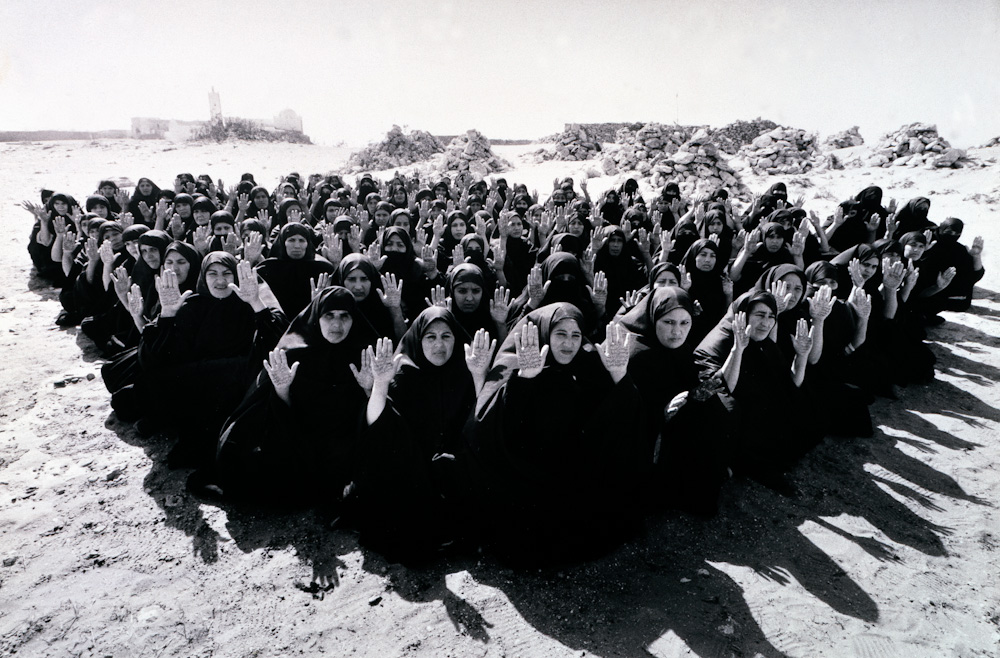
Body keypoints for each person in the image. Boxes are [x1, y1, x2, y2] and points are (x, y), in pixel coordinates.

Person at [469, 304, 642, 563]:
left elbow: (622, 420)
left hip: (572, 473)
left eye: (575, 336)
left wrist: (619, 376)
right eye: (560, 334)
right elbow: (487, 428)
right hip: (523, 477)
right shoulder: (518, 362)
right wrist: (525, 379)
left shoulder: (588, 364)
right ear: (545, 334)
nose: (569, 344)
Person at [201, 286, 377, 505]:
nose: (336, 324)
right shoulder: (291, 353)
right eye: (328, 315)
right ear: (316, 316)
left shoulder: (366, 355)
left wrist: (371, 389)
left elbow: (375, 417)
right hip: (299, 436)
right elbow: (265, 412)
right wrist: (282, 389)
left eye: (344, 316)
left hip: (344, 441)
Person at [353, 308, 487, 562]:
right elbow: (378, 429)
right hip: (414, 472)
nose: (439, 345)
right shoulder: (402, 377)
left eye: (446, 336)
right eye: (430, 337)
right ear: (417, 339)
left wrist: (480, 376)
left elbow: (484, 424)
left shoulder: (467, 372)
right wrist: (380, 385)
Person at [131, 254, 288, 466]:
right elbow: (160, 354)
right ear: (203, 278)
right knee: (156, 379)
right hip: (203, 384)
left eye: (227, 273)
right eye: (212, 274)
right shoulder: (193, 306)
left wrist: (254, 302)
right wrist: (167, 314)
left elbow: (278, 341)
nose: (220, 280)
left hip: (242, 384)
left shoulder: (251, 303)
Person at [694, 290, 818, 492]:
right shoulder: (717, 343)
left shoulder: (763, 343)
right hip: (731, 423)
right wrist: (737, 350)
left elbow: (789, 385)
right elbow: (716, 392)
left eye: (771, 316)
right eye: (759, 315)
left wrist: (801, 356)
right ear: (741, 315)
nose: (766, 323)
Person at [619, 286, 729, 514]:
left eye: (684, 323)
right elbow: (628, 411)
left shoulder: (679, 347)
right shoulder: (636, 354)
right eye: (668, 322)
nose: (677, 332)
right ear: (652, 318)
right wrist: (663, 413)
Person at [256, 223, 335, 320]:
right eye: (291, 240)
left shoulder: (322, 268)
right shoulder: (267, 269)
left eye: (301, 240)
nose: (297, 246)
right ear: (282, 242)